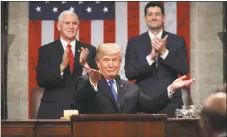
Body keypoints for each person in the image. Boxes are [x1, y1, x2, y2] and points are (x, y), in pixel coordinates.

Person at [73, 43, 194, 114]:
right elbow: (78, 104)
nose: (111, 64)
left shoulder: (130, 88)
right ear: (98, 63)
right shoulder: (86, 82)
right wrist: (93, 81)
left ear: (120, 63)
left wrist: (171, 88)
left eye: (114, 60)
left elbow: (150, 106)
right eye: (106, 60)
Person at [124, 2, 189, 117]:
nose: (153, 17)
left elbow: (183, 69)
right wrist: (150, 58)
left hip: (171, 102)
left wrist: (164, 52)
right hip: (143, 103)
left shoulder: (177, 40)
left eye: (157, 14)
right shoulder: (134, 42)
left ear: (163, 18)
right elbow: (130, 73)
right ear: (145, 18)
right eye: (150, 14)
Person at [36, 10, 97, 119]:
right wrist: (62, 66)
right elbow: (41, 80)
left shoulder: (90, 50)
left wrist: (85, 65)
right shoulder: (46, 50)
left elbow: (96, 82)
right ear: (59, 26)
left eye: (74, 23)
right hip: (54, 110)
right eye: (67, 23)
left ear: (78, 26)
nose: (71, 27)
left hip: (83, 109)